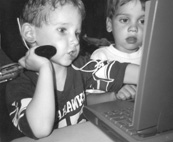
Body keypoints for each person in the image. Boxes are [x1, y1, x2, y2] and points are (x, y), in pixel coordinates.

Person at [5, 0, 140, 140]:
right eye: (62, 30)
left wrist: (157, 75)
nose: (75, 41)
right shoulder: (19, 86)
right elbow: (40, 129)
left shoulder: (81, 66)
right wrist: (45, 69)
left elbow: (125, 71)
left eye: (76, 33)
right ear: (29, 33)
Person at [90, 0, 146, 100]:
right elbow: (88, 100)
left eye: (142, 21)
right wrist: (115, 96)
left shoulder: (150, 56)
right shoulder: (100, 57)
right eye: (124, 20)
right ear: (109, 24)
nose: (133, 28)